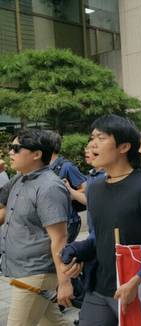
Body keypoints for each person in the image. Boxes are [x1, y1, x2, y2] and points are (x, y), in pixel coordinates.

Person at [64, 115, 141, 326]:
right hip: (98, 288)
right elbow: (99, 236)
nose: (92, 143)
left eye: (101, 137)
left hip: (137, 290)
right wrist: (78, 251)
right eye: (92, 138)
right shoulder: (94, 188)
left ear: (124, 146)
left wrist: (137, 280)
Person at [0, 129, 73, 326]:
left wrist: (64, 282)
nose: (10, 153)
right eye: (10, 148)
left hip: (37, 271)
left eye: (15, 148)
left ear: (37, 154)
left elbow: (60, 238)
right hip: (21, 269)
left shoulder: (49, 187)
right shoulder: (19, 179)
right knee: (53, 323)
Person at [48, 131, 87, 243]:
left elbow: (85, 188)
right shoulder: (43, 167)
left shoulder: (67, 167)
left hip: (68, 221)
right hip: (51, 220)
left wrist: (69, 194)